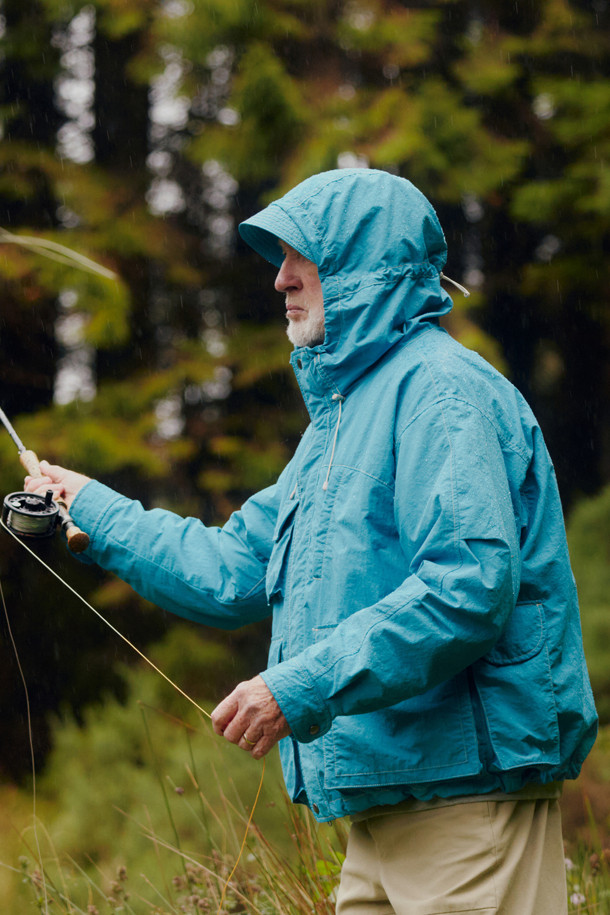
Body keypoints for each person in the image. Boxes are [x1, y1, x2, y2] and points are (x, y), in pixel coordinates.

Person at [26, 168, 597, 915]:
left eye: (302, 256)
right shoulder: (341, 421)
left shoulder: (441, 392)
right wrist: (90, 507)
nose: (281, 279)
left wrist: (295, 687)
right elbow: (230, 569)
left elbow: (467, 587)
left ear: (365, 270)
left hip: (466, 807)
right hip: (384, 808)